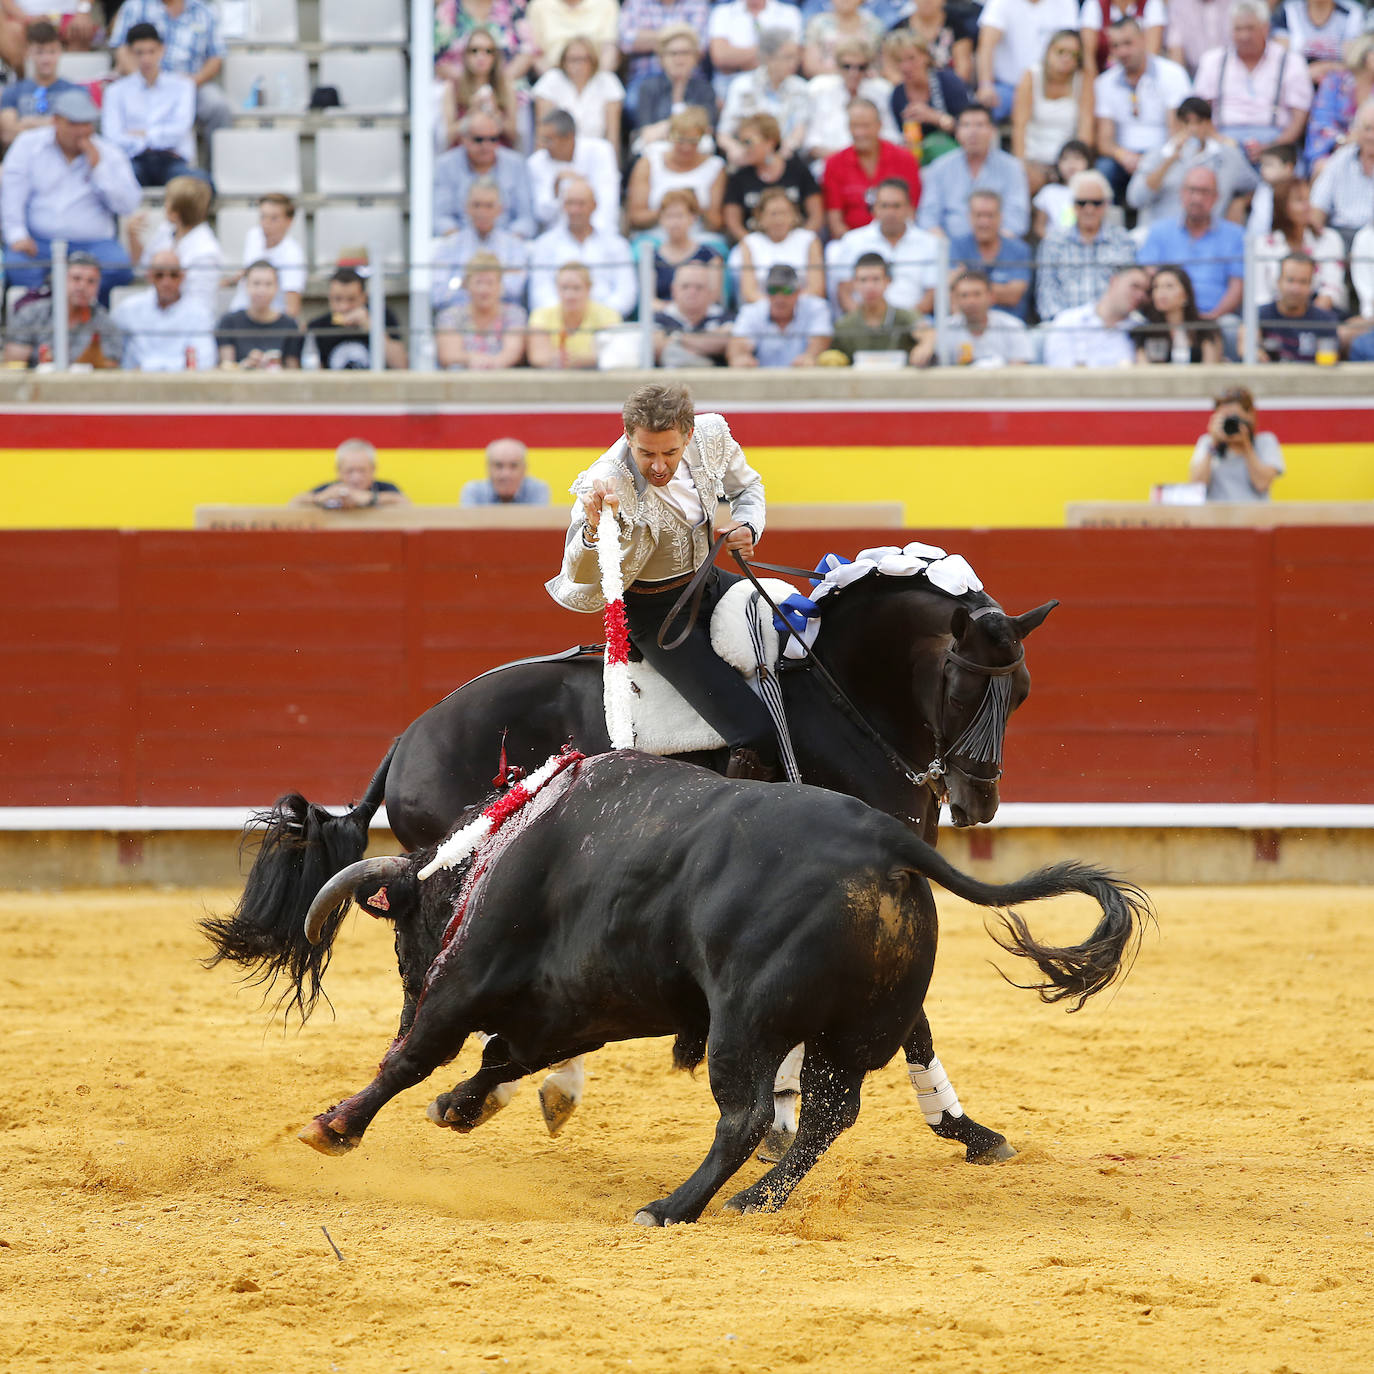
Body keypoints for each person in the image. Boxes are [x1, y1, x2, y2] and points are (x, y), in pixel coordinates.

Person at [546, 380, 779, 780]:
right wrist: (592, 528)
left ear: (688, 435)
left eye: (670, 452)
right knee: (754, 731)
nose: (658, 466)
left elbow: (748, 487)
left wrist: (749, 525)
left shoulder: (711, 435)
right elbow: (579, 573)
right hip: (657, 615)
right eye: (646, 453)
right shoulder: (604, 480)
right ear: (627, 437)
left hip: (710, 581)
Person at [1, 88, 140, 302]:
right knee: (17, 264)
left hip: (94, 244)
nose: (82, 131)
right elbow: (11, 194)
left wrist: (99, 170)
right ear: (56, 121)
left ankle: (88, 314)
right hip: (41, 243)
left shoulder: (109, 153)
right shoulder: (28, 145)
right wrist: (17, 235)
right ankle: (45, 313)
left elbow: (128, 205)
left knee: (119, 267)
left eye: (87, 123)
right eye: (74, 123)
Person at [1191, 0, 1314, 165]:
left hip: (1275, 139)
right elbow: (1199, 112)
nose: (1244, 36)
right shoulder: (1213, 61)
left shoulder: (1290, 61)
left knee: (1284, 170)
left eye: (1250, 28)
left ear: (1265, 28)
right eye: (1238, 29)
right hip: (1223, 138)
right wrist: (1218, 139)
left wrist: (1272, 145)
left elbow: (1300, 118)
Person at [1092, 19, 1191, 200]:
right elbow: (1104, 141)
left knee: (1178, 167)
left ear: (1143, 39)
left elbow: (1178, 132)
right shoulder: (1104, 83)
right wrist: (1123, 155)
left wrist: (1154, 159)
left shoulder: (1172, 74)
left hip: (1162, 153)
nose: (1122, 51)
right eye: (1115, 46)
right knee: (1102, 169)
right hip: (1123, 157)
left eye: (1128, 43)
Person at [1126, 96, 1258, 231]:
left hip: (1209, 240)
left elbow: (1258, 187)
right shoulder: (1157, 155)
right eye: (1186, 122)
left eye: (1199, 122)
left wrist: (1240, 202)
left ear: (1209, 124)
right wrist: (1168, 162)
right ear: (1176, 124)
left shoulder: (1229, 155)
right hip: (1161, 239)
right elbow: (1135, 199)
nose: (1192, 128)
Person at [109, 0, 232, 143]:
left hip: (192, 83)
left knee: (217, 106)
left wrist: (190, 83)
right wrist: (143, 83)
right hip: (143, 81)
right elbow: (122, 50)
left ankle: (214, 164)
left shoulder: (205, 11)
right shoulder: (135, 6)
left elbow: (216, 57)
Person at [1138, 166, 1245, 321]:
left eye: (1204, 192)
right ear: (1181, 193)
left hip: (1216, 318)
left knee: (1230, 326)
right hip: (1167, 316)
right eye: (1192, 190)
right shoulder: (1159, 231)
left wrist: (1211, 318)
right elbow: (1148, 277)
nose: (1197, 198)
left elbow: (1237, 286)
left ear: (1216, 197)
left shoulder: (1235, 235)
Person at [101, 21, 198, 187]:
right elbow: (112, 136)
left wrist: (140, 135)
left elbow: (179, 129)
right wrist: (156, 136)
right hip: (133, 161)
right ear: (130, 53)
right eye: (140, 52)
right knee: (113, 183)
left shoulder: (183, 86)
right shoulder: (115, 91)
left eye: (151, 51)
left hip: (172, 160)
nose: (146, 59)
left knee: (201, 184)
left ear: (162, 50)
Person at [528, 176, 638, 318]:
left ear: (594, 205)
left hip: (606, 326)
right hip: (557, 327)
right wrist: (566, 316)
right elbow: (540, 292)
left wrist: (599, 317)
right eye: (570, 203)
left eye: (581, 204)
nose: (575, 210)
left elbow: (626, 293)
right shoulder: (544, 244)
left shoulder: (617, 245)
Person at [828, 177, 941, 315]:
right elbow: (844, 293)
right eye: (884, 206)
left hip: (914, 325)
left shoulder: (929, 243)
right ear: (874, 208)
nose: (890, 212)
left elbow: (932, 294)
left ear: (909, 208)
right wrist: (867, 322)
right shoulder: (853, 241)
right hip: (864, 325)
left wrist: (902, 323)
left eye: (896, 206)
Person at [917, 103, 1031, 239]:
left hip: (999, 248)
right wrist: (947, 248)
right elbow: (928, 217)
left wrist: (991, 248)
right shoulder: (940, 167)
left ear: (993, 131)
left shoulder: (1012, 167)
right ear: (957, 132)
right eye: (966, 125)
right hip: (949, 248)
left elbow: (1017, 218)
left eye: (980, 125)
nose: (973, 132)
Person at [1035, 169, 1135, 320]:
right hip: (1065, 329)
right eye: (1082, 203)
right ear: (1073, 205)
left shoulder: (1123, 240)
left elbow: (1129, 290)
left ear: (1107, 204)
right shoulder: (1053, 242)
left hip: (1111, 326)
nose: (1089, 209)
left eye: (1096, 203)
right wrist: (1066, 325)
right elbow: (1046, 293)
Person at [2, 250, 123, 367]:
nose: (82, 286)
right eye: (76, 278)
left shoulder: (105, 323)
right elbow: (13, 360)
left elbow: (110, 365)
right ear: (60, 280)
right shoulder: (32, 313)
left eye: (91, 281)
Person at [128, 173, 223, 321]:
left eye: (167, 201)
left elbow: (201, 305)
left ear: (176, 213)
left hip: (187, 323)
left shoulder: (206, 252)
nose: (164, 205)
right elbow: (142, 268)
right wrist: (133, 237)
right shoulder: (166, 230)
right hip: (158, 311)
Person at [823, 99, 922, 238]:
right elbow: (835, 221)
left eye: (865, 126)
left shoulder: (905, 159)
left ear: (879, 126)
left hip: (899, 240)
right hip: (852, 245)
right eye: (854, 126)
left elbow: (911, 212)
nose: (859, 133)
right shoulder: (834, 163)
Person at [1012, 28, 1092, 195]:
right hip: (1034, 160)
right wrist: (1022, 165)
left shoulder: (1083, 80)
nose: (1066, 58)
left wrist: (1079, 166)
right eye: (1061, 51)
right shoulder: (1031, 76)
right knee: (1025, 184)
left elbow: (1086, 127)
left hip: (1068, 162)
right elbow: (1019, 126)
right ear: (1049, 51)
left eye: (1073, 54)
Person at [975, 0, 1083, 122]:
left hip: (1052, 87)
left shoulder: (1065, 3)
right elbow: (986, 45)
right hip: (1009, 88)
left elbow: (1070, 44)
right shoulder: (1000, 3)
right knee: (981, 111)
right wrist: (985, 84)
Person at [722, 112, 824, 240]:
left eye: (748, 142)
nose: (744, 148)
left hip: (797, 245)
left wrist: (800, 242)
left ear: (770, 141)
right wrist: (753, 245)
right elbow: (733, 223)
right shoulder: (738, 177)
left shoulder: (797, 170)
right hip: (755, 248)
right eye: (741, 142)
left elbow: (816, 216)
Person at [434, 111, 536, 238]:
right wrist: (464, 244)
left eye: (493, 139)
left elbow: (526, 219)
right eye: (479, 139)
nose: (486, 146)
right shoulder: (445, 165)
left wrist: (504, 245)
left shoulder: (516, 164)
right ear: (463, 139)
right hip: (460, 245)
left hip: (507, 247)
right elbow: (440, 218)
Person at [624, 107, 726, 233]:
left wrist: (695, 207)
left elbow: (716, 223)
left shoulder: (715, 167)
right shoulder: (648, 162)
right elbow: (635, 217)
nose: (686, 147)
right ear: (670, 136)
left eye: (693, 142)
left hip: (699, 237)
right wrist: (670, 209)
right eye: (681, 140)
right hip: (656, 235)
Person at [112, 249, 217, 371]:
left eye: (173, 275)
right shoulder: (128, 309)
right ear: (149, 276)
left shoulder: (199, 313)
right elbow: (110, 350)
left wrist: (148, 367)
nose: (166, 282)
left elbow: (205, 361)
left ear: (183, 277)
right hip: (135, 385)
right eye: (159, 275)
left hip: (183, 386)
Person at [718, 28, 810, 166]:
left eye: (796, 57)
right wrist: (736, 149)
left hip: (784, 158)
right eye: (787, 57)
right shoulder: (743, 85)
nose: (794, 62)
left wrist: (786, 148)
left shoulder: (800, 88)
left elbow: (799, 129)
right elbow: (724, 135)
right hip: (747, 158)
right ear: (768, 58)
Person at [804, 38, 899, 171]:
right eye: (847, 66)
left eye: (861, 67)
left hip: (875, 163)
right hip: (832, 164)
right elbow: (813, 143)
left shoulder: (881, 91)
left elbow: (891, 135)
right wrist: (844, 160)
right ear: (837, 66)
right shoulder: (820, 90)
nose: (854, 73)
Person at [1256, 177, 1347, 312]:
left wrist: (1307, 319)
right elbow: (1260, 295)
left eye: (1308, 199)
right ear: (1283, 207)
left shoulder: (1329, 238)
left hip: (1321, 316)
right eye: (1299, 200)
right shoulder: (1263, 245)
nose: (1307, 206)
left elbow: (1331, 288)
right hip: (1274, 318)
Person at [526, 108, 621, 235]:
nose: (542, 145)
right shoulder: (536, 162)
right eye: (541, 139)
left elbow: (608, 204)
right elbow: (543, 216)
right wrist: (555, 189)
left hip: (599, 234)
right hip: (555, 239)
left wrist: (592, 239)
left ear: (569, 137)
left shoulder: (600, 151)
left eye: (548, 140)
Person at [626, 24, 717, 156]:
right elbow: (645, 132)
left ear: (695, 57)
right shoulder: (648, 87)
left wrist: (667, 128)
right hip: (656, 151)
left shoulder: (704, 89)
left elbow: (706, 129)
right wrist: (683, 128)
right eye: (673, 53)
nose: (679, 60)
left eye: (685, 53)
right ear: (661, 58)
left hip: (693, 151)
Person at [948, 188, 1033, 320]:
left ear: (1000, 217)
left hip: (1009, 325)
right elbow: (951, 292)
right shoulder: (957, 245)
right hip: (967, 324)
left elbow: (1014, 296)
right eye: (979, 215)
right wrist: (1002, 290)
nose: (984, 222)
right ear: (969, 217)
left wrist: (967, 288)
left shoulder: (1018, 249)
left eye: (989, 215)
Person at [886, 30, 969, 165]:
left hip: (956, 154)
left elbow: (969, 128)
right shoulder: (897, 95)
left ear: (925, 57)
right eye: (899, 60)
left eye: (911, 58)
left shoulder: (948, 82)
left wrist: (935, 118)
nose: (905, 67)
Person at [1041, 263, 1149, 366]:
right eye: (1135, 286)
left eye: (1145, 291)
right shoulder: (1068, 321)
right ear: (1114, 281)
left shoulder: (1142, 329)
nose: (1140, 295)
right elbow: (1059, 372)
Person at [727, 262, 833, 366]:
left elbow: (821, 339)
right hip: (763, 381)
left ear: (798, 291)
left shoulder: (815, 307)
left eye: (787, 290)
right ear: (766, 292)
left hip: (805, 380)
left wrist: (810, 356)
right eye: (773, 290)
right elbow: (738, 343)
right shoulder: (752, 311)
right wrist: (740, 357)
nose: (780, 298)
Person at [1187, 386, 1284, 500]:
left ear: (1250, 416)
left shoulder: (1265, 442)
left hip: (1254, 516)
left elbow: (1261, 484)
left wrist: (1246, 445)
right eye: (1226, 418)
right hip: (1216, 516)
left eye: (1235, 418)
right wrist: (1213, 444)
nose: (1231, 424)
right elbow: (1197, 487)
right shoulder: (1207, 443)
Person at [435, 250, 528, 370]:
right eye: (478, 282)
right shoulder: (449, 316)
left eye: (490, 283)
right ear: (467, 285)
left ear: (500, 285)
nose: (484, 290)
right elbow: (448, 355)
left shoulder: (515, 314)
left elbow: (512, 353)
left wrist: (487, 364)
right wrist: (475, 359)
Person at [731, 185, 824, 302]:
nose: (779, 220)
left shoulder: (809, 239)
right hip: (762, 307)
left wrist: (789, 306)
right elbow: (749, 291)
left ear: (794, 215)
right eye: (773, 214)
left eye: (784, 213)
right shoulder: (749, 243)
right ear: (760, 217)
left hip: (803, 307)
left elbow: (816, 288)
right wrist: (776, 307)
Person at [304, 268, 408, 371]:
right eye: (338, 299)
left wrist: (371, 326)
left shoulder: (383, 317)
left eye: (351, 299)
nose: (344, 307)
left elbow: (401, 365)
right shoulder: (317, 327)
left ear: (364, 298)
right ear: (329, 298)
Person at [532, 32, 625, 147]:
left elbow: (613, 137)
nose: (578, 65)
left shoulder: (608, 81)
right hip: (558, 152)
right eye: (572, 59)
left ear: (593, 60)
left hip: (595, 152)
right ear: (563, 61)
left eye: (583, 59)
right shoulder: (550, 80)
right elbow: (542, 133)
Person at [1246, 252, 1343, 362]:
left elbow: (1329, 364)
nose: (1296, 289)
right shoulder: (1258, 315)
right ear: (1278, 282)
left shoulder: (1325, 321)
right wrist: (1255, 351)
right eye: (1290, 280)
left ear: (1312, 285)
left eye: (1303, 282)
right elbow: (1244, 348)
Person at [527, 260, 624, 369]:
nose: (569, 295)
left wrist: (574, 360)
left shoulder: (608, 315)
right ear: (556, 288)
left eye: (576, 288)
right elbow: (537, 357)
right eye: (564, 288)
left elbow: (611, 356)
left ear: (589, 288)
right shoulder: (541, 315)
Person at [830, 252, 923, 363]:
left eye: (876, 279)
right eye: (863, 280)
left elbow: (926, 332)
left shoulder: (905, 316)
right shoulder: (844, 325)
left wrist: (924, 346)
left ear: (887, 281)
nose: (869, 287)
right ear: (854, 283)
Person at [0, 20, 78, 150]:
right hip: (23, 161)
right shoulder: (13, 91)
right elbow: (7, 135)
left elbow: (77, 134)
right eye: (40, 52)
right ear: (29, 52)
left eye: (52, 52)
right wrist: (55, 125)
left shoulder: (74, 91)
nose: (46, 59)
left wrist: (30, 123)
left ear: (60, 51)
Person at [640, 188, 725, 307]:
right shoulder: (652, 257)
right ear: (661, 219)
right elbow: (649, 301)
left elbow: (714, 298)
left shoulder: (710, 256)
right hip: (663, 320)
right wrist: (674, 312)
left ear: (693, 218)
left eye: (680, 216)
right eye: (669, 216)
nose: (674, 222)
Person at [226, 193, 306, 318]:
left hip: (269, 323)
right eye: (263, 217)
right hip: (239, 314)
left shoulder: (293, 255)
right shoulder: (253, 235)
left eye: (274, 218)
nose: (266, 223)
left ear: (289, 221)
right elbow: (245, 273)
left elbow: (292, 307)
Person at [441, 26, 522, 149]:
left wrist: (494, 113)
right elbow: (449, 136)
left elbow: (513, 136)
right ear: (465, 55)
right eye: (474, 51)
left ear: (495, 57)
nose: (481, 56)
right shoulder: (453, 87)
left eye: (488, 51)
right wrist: (471, 113)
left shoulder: (506, 87)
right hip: (464, 154)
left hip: (497, 155)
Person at [1304, 32, 1374, 171]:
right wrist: (1344, 141)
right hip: (1335, 149)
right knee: (1322, 167)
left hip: (1370, 149)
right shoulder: (1334, 81)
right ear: (1365, 56)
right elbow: (1321, 122)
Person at [708, 0, 804, 101]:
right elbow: (721, 57)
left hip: (780, 83)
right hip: (727, 85)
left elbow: (792, 56)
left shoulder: (790, 13)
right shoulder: (722, 12)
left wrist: (737, 60)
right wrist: (771, 51)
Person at [215, 260, 302, 369]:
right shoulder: (229, 322)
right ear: (246, 286)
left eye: (268, 284)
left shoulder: (289, 325)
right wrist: (245, 366)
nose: (262, 290)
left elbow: (294, 371)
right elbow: (225, 367)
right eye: (256, 283)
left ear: (277, 287)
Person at [937, 267, 1033, 365]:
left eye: (977, 294)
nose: (971, 301)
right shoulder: (946, 328)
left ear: (991, 297)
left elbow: (1020, 369)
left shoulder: (1012, 326)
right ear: (955, 299)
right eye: (964, 295)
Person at [1131, 263, 1223, 363]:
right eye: (1156, 287)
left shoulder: (1206, 329)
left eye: (1169, 286)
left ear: (1186, 294)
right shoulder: (1145, 332)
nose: (1161, 292)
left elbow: (1210, 370)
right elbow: (1144, 371)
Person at [1310, 97, 1374, 239]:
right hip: (1339, 235)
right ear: (1356, 131)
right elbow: (1318, 204)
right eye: (1367, 128)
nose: (1371, 136)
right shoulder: (1341, 158)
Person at [434, 0, 535, 89]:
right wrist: (471, 83)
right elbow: (436, 59)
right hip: (458, 90)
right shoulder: (448, 8)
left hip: (506, 86)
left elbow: (528, 50)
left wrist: (498, 83)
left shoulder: (512, 4)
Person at [1271, 0, 1365, 91]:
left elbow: (1354, 62)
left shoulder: (1353, 12)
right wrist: (1305, 74)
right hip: (1294, 83)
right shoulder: (1288, 9)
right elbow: (1280, 59)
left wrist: (1322, 69)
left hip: (1339, 87)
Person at [291, 438, 410, 510]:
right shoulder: (330, 489)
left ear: (373, 469)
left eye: (362, 470)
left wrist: (370, 498)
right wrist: (319, 499)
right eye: (350, 471)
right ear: (338, 471)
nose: (356, 477)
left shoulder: (385, 488)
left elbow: (406, 503)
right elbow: (294, 503)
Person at [653, 259, 732, 367]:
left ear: (710, 291)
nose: (692, 292)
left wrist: (677, 338)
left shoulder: (725, 317)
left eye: (699, 287)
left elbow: (728, 343)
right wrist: (707, 345)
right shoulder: (658, 318)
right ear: (673, 290)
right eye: (685, 286)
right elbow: (656, 347)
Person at [619, 0, 711, 93]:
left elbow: (699, 45)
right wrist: (679, 36)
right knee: (636, 99)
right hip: (644, 77)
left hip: (691, 78)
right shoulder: (636, 2)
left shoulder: (697, 2)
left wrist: (650, 38)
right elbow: (626, 42)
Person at [527, 0, 620, 75]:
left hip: (595, 75)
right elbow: (535, 54)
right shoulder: (538, 5)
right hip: (553, 74)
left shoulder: (607, 3)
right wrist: (554, 80)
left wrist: (596, 80)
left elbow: (609, 49)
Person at [1079, 0, 1166, 77]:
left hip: (1142, 74)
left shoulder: (1150, 2)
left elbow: (1152, 52)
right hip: (1104, 75)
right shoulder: (1095, 3)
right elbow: (1088, 58)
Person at [804, 0, 884, 78]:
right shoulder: (817, 23)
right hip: (827, 79)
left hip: (866, 80)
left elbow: (880, 64)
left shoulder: (875, 25)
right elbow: (811, 66)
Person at [461, 439, 551, 505]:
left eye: (513, 466)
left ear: (524, 469)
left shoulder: (537, 490)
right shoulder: (474, 491)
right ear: (488, 468)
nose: (506, 474)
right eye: (498, 466)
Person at [1031, 136, 1092, 235]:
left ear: (1088, 162)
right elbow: (1039, 226)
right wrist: (1054, 242)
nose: (1071, 164)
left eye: (1077, 158)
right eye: (1065, 159)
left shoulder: (1093, 192)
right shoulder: (1048, 192)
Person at [1164, 0, 1230, 77]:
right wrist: (1178, 80)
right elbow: (1175, 49)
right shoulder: (1179, 4)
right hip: (1194, 75)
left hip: (1233, 73)